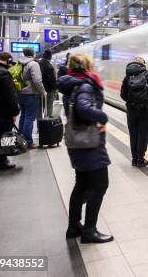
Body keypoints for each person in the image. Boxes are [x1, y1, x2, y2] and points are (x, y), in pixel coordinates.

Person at [58, 54, 113, 243]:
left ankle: (73, 227)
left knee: (81, 185)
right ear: (87, 66)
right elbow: (83, 108)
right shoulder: (86, 85)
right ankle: (89, 231)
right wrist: (102, 117)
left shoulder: (70, 84)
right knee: (100, 185)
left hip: (76, 140)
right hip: (89, 142)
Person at [120, 57, 148, 167]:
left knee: (133, 134)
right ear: (143, 65)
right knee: (143, 134)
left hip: (132, 110)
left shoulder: (127, 77)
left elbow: (123, 94)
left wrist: (130, 101)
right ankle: (140, 158)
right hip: (146, 109)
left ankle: (134, 158)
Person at [18, 47, 46, 148]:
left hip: (20, 93)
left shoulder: (19, 63)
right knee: (29, 118)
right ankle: (28, 142)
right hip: (31, 94)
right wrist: (43, 91)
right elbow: (37, 80)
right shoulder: (33, 64)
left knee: (23, 116)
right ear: (33, 54)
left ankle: (21, 140)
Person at [38, 49, 58, 117]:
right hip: (48, 90)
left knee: (40, 107)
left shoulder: (38, 64)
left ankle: (40, 122)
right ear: (50, 57)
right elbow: (52, 80)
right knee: (49, 106)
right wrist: (55, 88)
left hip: (39, 89)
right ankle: (48, 121)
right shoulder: (49, 66)